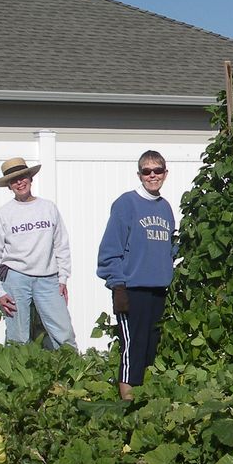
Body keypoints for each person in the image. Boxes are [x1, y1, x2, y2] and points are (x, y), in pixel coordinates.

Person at [97, 151, 178, 400]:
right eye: (147, 171)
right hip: (132, 289)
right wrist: (117, 285)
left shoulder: (165, 208)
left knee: (150, 348)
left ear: (166, 173)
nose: (152, 175)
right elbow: (110, 249)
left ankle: (145, 404)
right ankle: (127, 407)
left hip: (158, 289)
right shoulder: (126, 204)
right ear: (139, 175)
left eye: (157, 170)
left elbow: (168, 250)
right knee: (133, 348)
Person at [0, 157, 76, 349]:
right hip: (16, 278)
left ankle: (72, 375)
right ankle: (17, 377)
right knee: (17, 335)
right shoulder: (3, 214)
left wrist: (63, 278)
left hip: (48, 277)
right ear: (8, 186)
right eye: (13, 180)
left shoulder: (48, 208)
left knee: (63, 331)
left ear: (30, 178)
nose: (20, 182)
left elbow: (61, 244)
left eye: (23, 177)